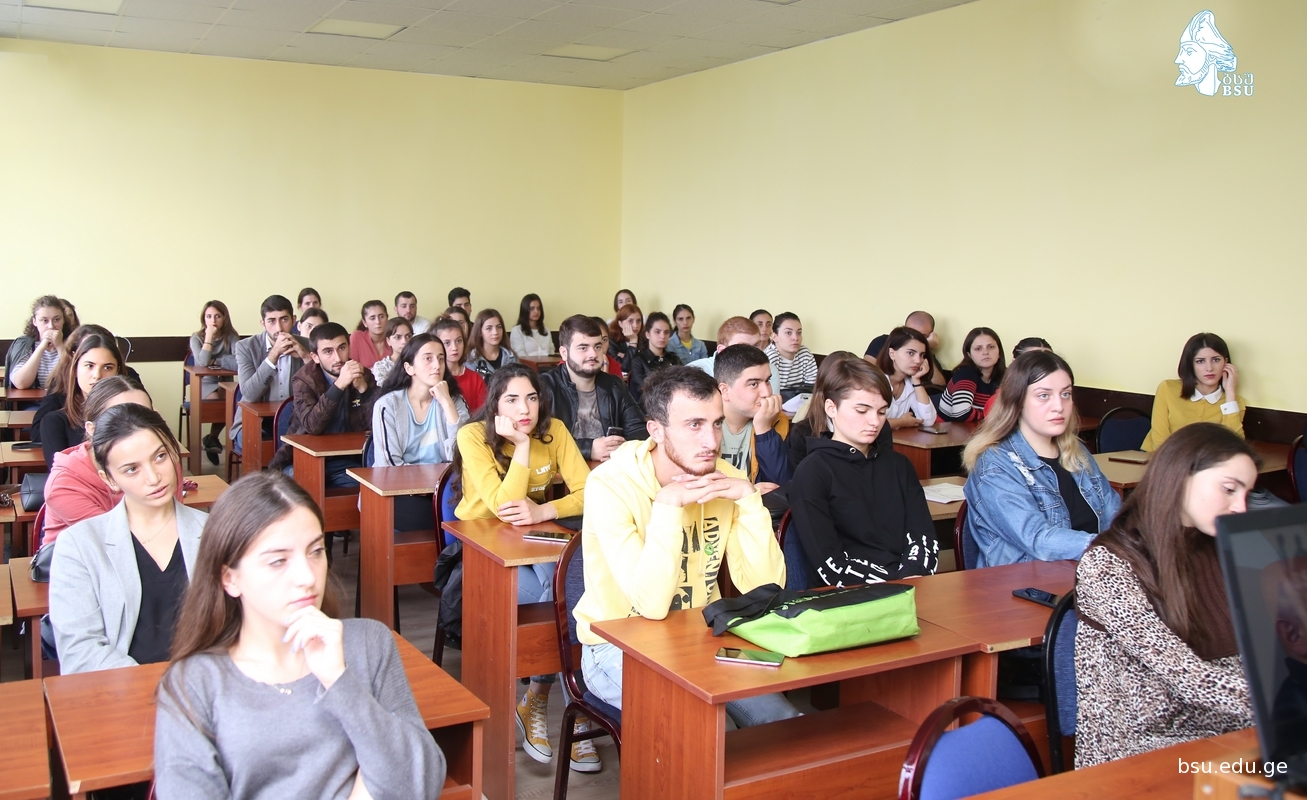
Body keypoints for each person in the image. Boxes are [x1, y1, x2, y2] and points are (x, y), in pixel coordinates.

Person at [154, 472, 444, 799]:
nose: (307, 576)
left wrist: (340, 681)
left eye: (316, 551)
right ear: (229, 578)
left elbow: (420, 783)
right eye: (278, 561)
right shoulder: (194, 683)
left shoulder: (368, 643)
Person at [574, 367, 801, 729]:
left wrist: (749, 500)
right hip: (615, 646)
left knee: (785, 723)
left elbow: (765, 589)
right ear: (656, 430)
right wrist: (667, 506)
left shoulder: (725, 478)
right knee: (708, 729)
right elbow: (650, 605)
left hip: (700, 637)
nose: (711, 441)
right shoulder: (610, 484)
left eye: (716, 423)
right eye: (694, 425)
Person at [1075, 423, 1256, 768]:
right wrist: (1279, 700)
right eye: (1229, 489)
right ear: (1181, 477)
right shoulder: (1107, 564)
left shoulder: (1225, 547)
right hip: (1141, 749)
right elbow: (1186, 675)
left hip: (1228, 730)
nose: (1240, 507)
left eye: (1247, 494)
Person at [448, 364, 595, 770]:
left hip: (535, 541)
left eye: (531, 398)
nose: (524, 409)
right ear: (495, 405)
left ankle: (538, 698)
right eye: (512, 400)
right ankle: (572, 706)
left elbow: (589, 491)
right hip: (481, 550)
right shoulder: (472, 436)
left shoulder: (556, 430)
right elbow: (504, 507)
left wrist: (545, 509)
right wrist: (523, 446)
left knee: (565, 588)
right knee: (557, 596)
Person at [50, 403, 208, 674]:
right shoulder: (79, 546)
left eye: (160, 457)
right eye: (132, 469)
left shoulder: (214, 532)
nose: (154, 477)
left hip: (205, 688)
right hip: (120, 691)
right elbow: (80, 651)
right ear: (109, 479)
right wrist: (154, 685)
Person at [961, 351, 1120, 567]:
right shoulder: (994, 463)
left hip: (1092, 572)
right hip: (1028, 584)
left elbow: (1115, 516)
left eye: (1066, 394)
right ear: (1017, 401)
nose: (1059, 406)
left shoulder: (1077, 452)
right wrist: (1110, 548)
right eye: (1044, 395)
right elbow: (1037, 538)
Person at [789, 358, 939, 586]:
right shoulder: (812, 472)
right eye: (862, 410)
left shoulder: (899, 465)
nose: (874, 422)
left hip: (910, 585)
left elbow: (922, 535)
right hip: (849, 595)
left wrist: (913, 574)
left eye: (882, 412)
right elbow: (830, 563)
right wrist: (895, 584)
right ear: (831, 408)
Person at [43, 376, 178, 546]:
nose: (136, 427)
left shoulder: (164, 458)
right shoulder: (63, 484)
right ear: (92, 429)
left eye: (146, 416)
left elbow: (173, 523)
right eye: (118, 419)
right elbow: (118, 543)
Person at [371, 334, 468, 530]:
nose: (437, 365)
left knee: (466, 511)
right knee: (447, 517)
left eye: (441, 359)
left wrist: (447, 403)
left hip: (445, 491)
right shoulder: (387, 406)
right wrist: (428, 485)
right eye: (428, 358)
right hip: (397, 493)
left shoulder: (455, 402)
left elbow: (461, 456)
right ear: (409, 368)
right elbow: (390, 467)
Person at [267, 323, 377, 487]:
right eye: (328, 351)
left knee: (366, 488)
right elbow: (313, 426)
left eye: (342, 348)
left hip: (347, 460)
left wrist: (364, 390)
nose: (337, 358)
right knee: (301, 486)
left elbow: (378, 424)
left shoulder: (363, 375)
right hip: (302, 459)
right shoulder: (303, 380)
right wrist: (339, 386)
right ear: (315, 357)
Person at [541, 315, 649, 463]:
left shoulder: (615, 386)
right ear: (564, 353)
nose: (593, 354)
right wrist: (588, 449)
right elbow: (539, 441)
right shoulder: (545, 387)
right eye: (583, 348)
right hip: (562, 472)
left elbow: (640, 431)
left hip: (609, 470)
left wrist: (620, 448)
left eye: (597, 347)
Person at [231, 295, 309, 456]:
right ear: (263, 323)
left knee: (308, 443)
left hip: (295, 419)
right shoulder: (246, 347)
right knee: (256, 442)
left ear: (294, 320)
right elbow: (249, 394)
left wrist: (305, 356)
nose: (279, 327)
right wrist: (273, 355)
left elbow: (323, 387)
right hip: (254, 421)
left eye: (284, 319)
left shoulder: (307, 345)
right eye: (271, 321)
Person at [1142, 332, 1245, 452]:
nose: (1209, 368)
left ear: (1226, 363)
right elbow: (1159, 442)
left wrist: (1230, 392)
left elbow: (1233, 446)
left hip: (1205, 462)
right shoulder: (1168, 389)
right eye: (1200, 361)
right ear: (1190, 364)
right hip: (1159, 457)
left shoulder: (1234, 402)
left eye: (1216, 360)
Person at [38, 332, 124, 468]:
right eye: (89, 366)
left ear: (117, 372)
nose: (97, 375)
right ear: (75, 369)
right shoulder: (54, 422)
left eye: (107, 367)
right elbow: (62, 474)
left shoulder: (130, 416)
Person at [715, 344, 790, 489]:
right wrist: (748, 492)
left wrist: (764, 431)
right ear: (724, 390)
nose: (766, 393)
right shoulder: (699, 425)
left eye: (767, 381)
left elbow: (781, 486)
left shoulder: (776, 420)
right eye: (754, 384)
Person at [190, 300, 241, 462]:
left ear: (224, 318)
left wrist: (217, 361)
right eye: (209, 316)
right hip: (204, 382)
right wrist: (209, 337)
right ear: (203, 318)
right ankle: (212, 439)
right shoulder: (196, 338)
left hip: (225, 381)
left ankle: (212, 438)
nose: (213, 320)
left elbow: (239, 362)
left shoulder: (231, 337)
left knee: (230, 403)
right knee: (218, 402)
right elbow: (203, 362)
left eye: (217, 316)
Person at [875, 327, 938, 430]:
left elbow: (928, 421)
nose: (918, 361)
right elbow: (869, 423)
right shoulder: (874, 382)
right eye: (910, 353)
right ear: (892, 353)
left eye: (922, 355)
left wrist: (917, 381)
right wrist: (901, 422)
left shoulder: (909, 384)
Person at [939, 326, 1005, 422]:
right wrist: (991, 417)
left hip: (979, 427)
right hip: (946, 427)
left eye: (991, 347)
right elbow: (961, 414)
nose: (985, 352)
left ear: (999, 352)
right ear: (969, 355)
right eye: (978, 349)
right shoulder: (965, 374)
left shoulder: (1005, 376)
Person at [6, 294, 72, 390]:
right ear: (35, 322)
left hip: (64, 398)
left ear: (63, 320)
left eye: (56, 319)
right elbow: (21, 383)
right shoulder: (26, 345)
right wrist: (41, 347)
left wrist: (59, 346)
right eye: (45, 320)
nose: (51, 326)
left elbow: (76, 378)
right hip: (33, 399)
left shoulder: (73, 343)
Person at [864, 311, 946, 388]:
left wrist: (927, 349)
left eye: (922, 336)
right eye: (911, 332)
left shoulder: (924, 353)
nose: (915, 339)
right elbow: (865, 372)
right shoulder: (883, 341)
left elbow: (940, 386)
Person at [982, 337, 1052, 417]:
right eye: (1032, 363)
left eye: (1048, 363)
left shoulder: (1060, 399)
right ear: (1014, 364)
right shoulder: (996, 404)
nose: (1041, 370)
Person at [434, 317, 488, 414]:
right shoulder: (433, 378)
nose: (454, 347)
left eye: (458, 341)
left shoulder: (475, 378)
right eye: (447, 343)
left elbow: (483, 414)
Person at [627, 311, 680, 404]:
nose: (662, 336)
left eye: (666, 332)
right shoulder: (638, 361)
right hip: (648, 407)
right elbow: (644, 389)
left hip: (673, 404)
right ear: (647, 334)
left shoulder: (674, 358)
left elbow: (684, 384)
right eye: (657, 332)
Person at [686, 316, 764, 376]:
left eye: (756, 345)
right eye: (743, 348)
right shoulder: (694, 374)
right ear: (722, 351)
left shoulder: (766, 370)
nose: (753, 354)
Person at [764, 312, 818, 397]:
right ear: (774, 337)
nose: (795, 338)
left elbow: (813, 388)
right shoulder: (769, 357)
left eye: (799, 333)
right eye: (788, 333)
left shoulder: (805, 354)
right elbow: (768, 394)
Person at [466, 308, 519, 378]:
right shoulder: (471, 359)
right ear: (480, 332)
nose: (495, 332)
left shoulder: (511, 357)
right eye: (489, 328)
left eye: (499, 327)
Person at [369, 317, 413, 386]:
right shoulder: (381, 367)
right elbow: (386, 389)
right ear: (388, 341)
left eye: (408, 336)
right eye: (398, 337)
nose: (404, 341)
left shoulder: (419, 361)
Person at [349, 300, 389, 371]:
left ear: (387, 318)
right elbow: (352, 369)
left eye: (381, 317)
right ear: (364, 322)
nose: (378, 322)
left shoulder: (394, 337)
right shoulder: (357, 337)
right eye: (372, 318)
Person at [607, 303, 644, 374]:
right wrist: (633, 341)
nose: (635, 325)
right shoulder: (611, 341)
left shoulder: (645, 337)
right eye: (630, 321)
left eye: (638, 321)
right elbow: (624, 368)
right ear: (620, 323)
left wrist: (626, 357)